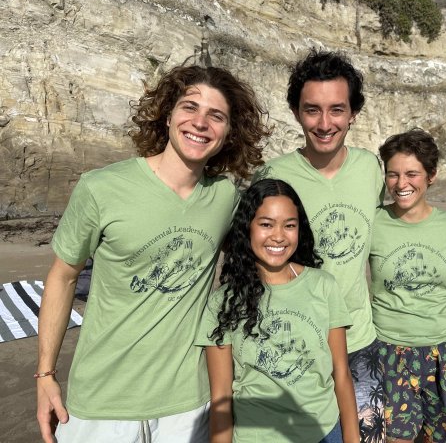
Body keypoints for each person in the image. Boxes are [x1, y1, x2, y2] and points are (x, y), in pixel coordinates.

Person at [36, 65, 270, 443]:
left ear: (229, 132)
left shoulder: (225, 198)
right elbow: (62, 276)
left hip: (187, 404)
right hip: (100, 402)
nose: (200, 123)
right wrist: (45, 375)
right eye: (189, 107)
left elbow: (264, 256)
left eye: (216, 116)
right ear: (167, 115)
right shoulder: (101, 188)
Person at [253, 49, 385, 441]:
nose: (325, 123)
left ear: (353, 113)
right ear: (296, 113)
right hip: (296, 348)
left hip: (360, 343)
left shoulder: (370, 168)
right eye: (312, 110)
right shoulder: (274, 176)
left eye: (337, 110)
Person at [195, 178, 359, 442]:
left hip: (324, 433)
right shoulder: (223, 303)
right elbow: (221, 398)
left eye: (289, 225)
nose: (279, 236)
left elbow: (341, 372)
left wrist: (352, 437)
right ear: (246, 228)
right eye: (266, 224)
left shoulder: (323, 285)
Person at [369, 129, 446, 443]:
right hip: (389, 351)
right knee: (396, 438)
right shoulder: (372, 223)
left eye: (411, 174)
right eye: (393, 174)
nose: (401, 184)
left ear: (431, 176)